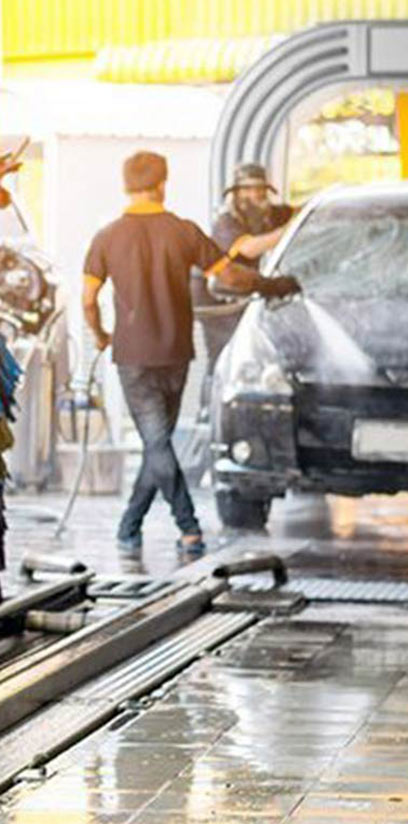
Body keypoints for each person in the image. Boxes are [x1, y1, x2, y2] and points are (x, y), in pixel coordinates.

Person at [82, 152, 300, 559]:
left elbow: (88, 298)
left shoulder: (107, 237)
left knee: (156, 443)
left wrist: (99, 335)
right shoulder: (183, 232)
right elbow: (230, 275)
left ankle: (180, 528)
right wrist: (272, 286)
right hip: (176, 353)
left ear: (126, 186)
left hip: (132, 357)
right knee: (157, 442)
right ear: (163, 184)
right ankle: (142, 526)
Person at [194, 163, 296, 378]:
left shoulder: (269, 214)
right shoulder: (226, 221)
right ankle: (210, 406)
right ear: (237, 193)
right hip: (216, 297)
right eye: (248, 189)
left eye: (260, 189)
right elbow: (249, 249)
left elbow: (300, 210)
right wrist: (289, 231)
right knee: (225, 353)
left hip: (243, 290)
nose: (255, 194)